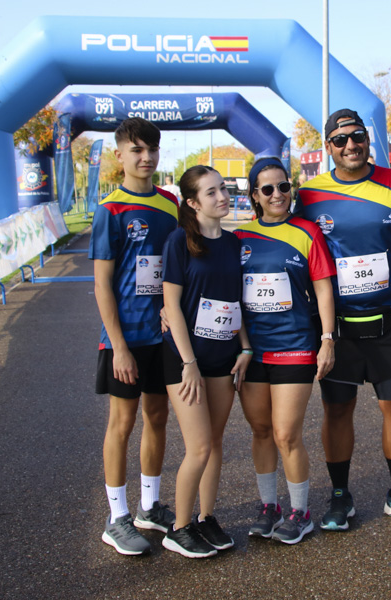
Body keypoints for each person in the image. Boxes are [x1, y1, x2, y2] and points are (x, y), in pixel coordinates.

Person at [296, 108, 391, 530]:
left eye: (357, 136)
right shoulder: (308, 195)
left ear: (367, 138)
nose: (351, 145)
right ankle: (340, 496)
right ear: (329, 147)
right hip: (337, 327)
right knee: (337, 411)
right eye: (340, 140)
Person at [235, 158, 337, 545]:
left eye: (284, 186)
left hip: (295, 346)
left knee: (285, 433)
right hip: (251, 351)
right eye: (268, 189)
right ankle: (268, 506)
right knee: (260, 431)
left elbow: (324, 288)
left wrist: (327, 338)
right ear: (254, 197)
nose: (278, 195)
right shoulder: (240, 239)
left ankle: (300, 511)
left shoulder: (307, 232)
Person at [90, 117, 179, 556]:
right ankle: (116, 518)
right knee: (121, 424)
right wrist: (118, 345)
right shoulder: (110, 210)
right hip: (124, 341)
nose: (145, 158)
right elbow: (102, 284)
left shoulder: (168, 204)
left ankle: (148, 506)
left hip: (160, 338)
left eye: (152, 150)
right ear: (120, 155)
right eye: (137, 150)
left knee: (158, 418)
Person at [160, 165, 252, 558]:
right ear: (193, 203)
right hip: (185, 361)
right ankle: (178, 528)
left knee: (215, 443)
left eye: (224, 189)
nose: (222, 197)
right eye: (211, 192)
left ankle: (206, 516)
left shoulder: (234, 244)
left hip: (224, 357)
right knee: (197, 447)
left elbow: (237, 302)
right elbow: (171, 307)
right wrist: (188, 363)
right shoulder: (179, 242)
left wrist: (245, 348)